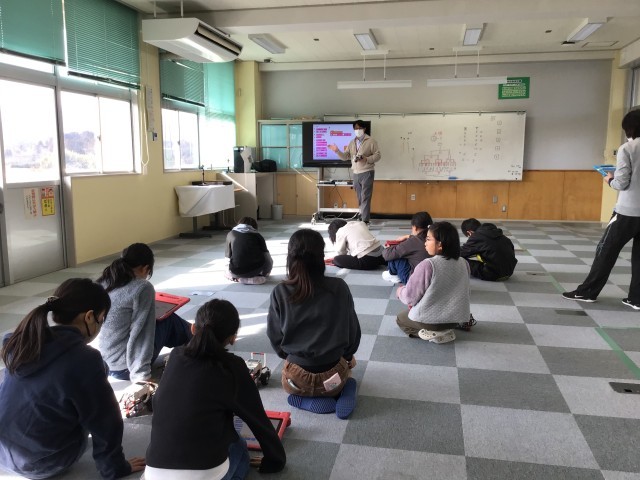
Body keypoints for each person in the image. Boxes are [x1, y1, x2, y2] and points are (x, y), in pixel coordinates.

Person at [0, 278, 145, 479]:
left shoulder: (22, 342)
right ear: (89, 317)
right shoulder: (85, 359)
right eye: (101, 319)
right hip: (41, 463)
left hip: (3, 452)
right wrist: (116, 467)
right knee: (93, 400)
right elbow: (106, 423)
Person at [144, 299, 286, 479]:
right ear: (233, 338)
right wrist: (275, 460)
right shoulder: (232, 367)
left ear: (193, 328)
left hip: (154, 472)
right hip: (205, 471)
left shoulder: (175, 356)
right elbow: (256, 418)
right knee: (239, 446)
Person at [267, 229, 361, 419]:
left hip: (296, 380)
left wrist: (291, 356)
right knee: (347, 374)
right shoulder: (339, 287)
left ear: (290, 258)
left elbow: (275, 336)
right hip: (333, 378)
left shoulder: (280, 291)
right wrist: (348, 356)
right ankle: (344, 390)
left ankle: (304, 399)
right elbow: (353, 332)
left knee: (289, 388)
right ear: (320, 257)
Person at [563, 110, 640, 308]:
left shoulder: (628, 148)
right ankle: (637, 299)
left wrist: (609, 179)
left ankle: (587, 292)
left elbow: (621, 183)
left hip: (628, 211)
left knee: (606, 251)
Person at [96, 243, 192, 382]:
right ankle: (198, 338)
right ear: (145, 268)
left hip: (106, 364)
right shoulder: (142, 287)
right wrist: (141, 374)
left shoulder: (106, 280)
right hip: (126, 367)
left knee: (163, 318)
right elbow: (143, 332)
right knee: (168, 319)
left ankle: (194, 336)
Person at [396, 221, 471, 344]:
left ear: (440, 244)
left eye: (428, 239)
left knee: (401, 319)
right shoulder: (464, 263)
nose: (425, 243)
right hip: (456, 319)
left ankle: (434, 334)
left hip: (432, 321)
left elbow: (410, 298)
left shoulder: (428, 265)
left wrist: (400, 291)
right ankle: (446, 330)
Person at [328, 120, 381, 223]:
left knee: (365, 197)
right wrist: (337, 151)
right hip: (356, 173)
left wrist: (366, 159)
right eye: (356, 128)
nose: (358, 130)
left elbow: (378, 155)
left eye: (360, 128)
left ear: (364, 129)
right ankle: (362, 216)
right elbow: (345, 157)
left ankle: (365, 221)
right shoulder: (352, 142)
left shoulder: (371, 141)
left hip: (367, 172)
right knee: (360, 197)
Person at [381, 211, 433, 284]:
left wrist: (389, 248)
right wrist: (408, 236)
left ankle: (393, 274)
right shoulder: (434, 237)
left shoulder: (413, 241)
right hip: (432, 277)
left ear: (415, 227)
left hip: (414, 281)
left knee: (396, 254)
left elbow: (387, 255)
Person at [225, 217, 273, 285]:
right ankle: (255, 278)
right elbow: (267, 257)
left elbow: (227, 257)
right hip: (256, 271)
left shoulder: (230, 234)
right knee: (263, 261)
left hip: (236, 271)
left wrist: (229, 270)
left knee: (227, 273)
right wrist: (267, 271)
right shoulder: (258, 236)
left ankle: (237, 278)